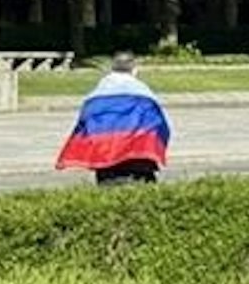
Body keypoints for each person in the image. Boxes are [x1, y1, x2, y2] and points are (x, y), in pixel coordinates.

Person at [55, 51, 170, 185]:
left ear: (111, 69)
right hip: (139, 162)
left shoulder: (95, 96)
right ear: (134, 70)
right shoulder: (144, 94)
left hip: (106, 162)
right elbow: (158, 125)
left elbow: (84, 126)